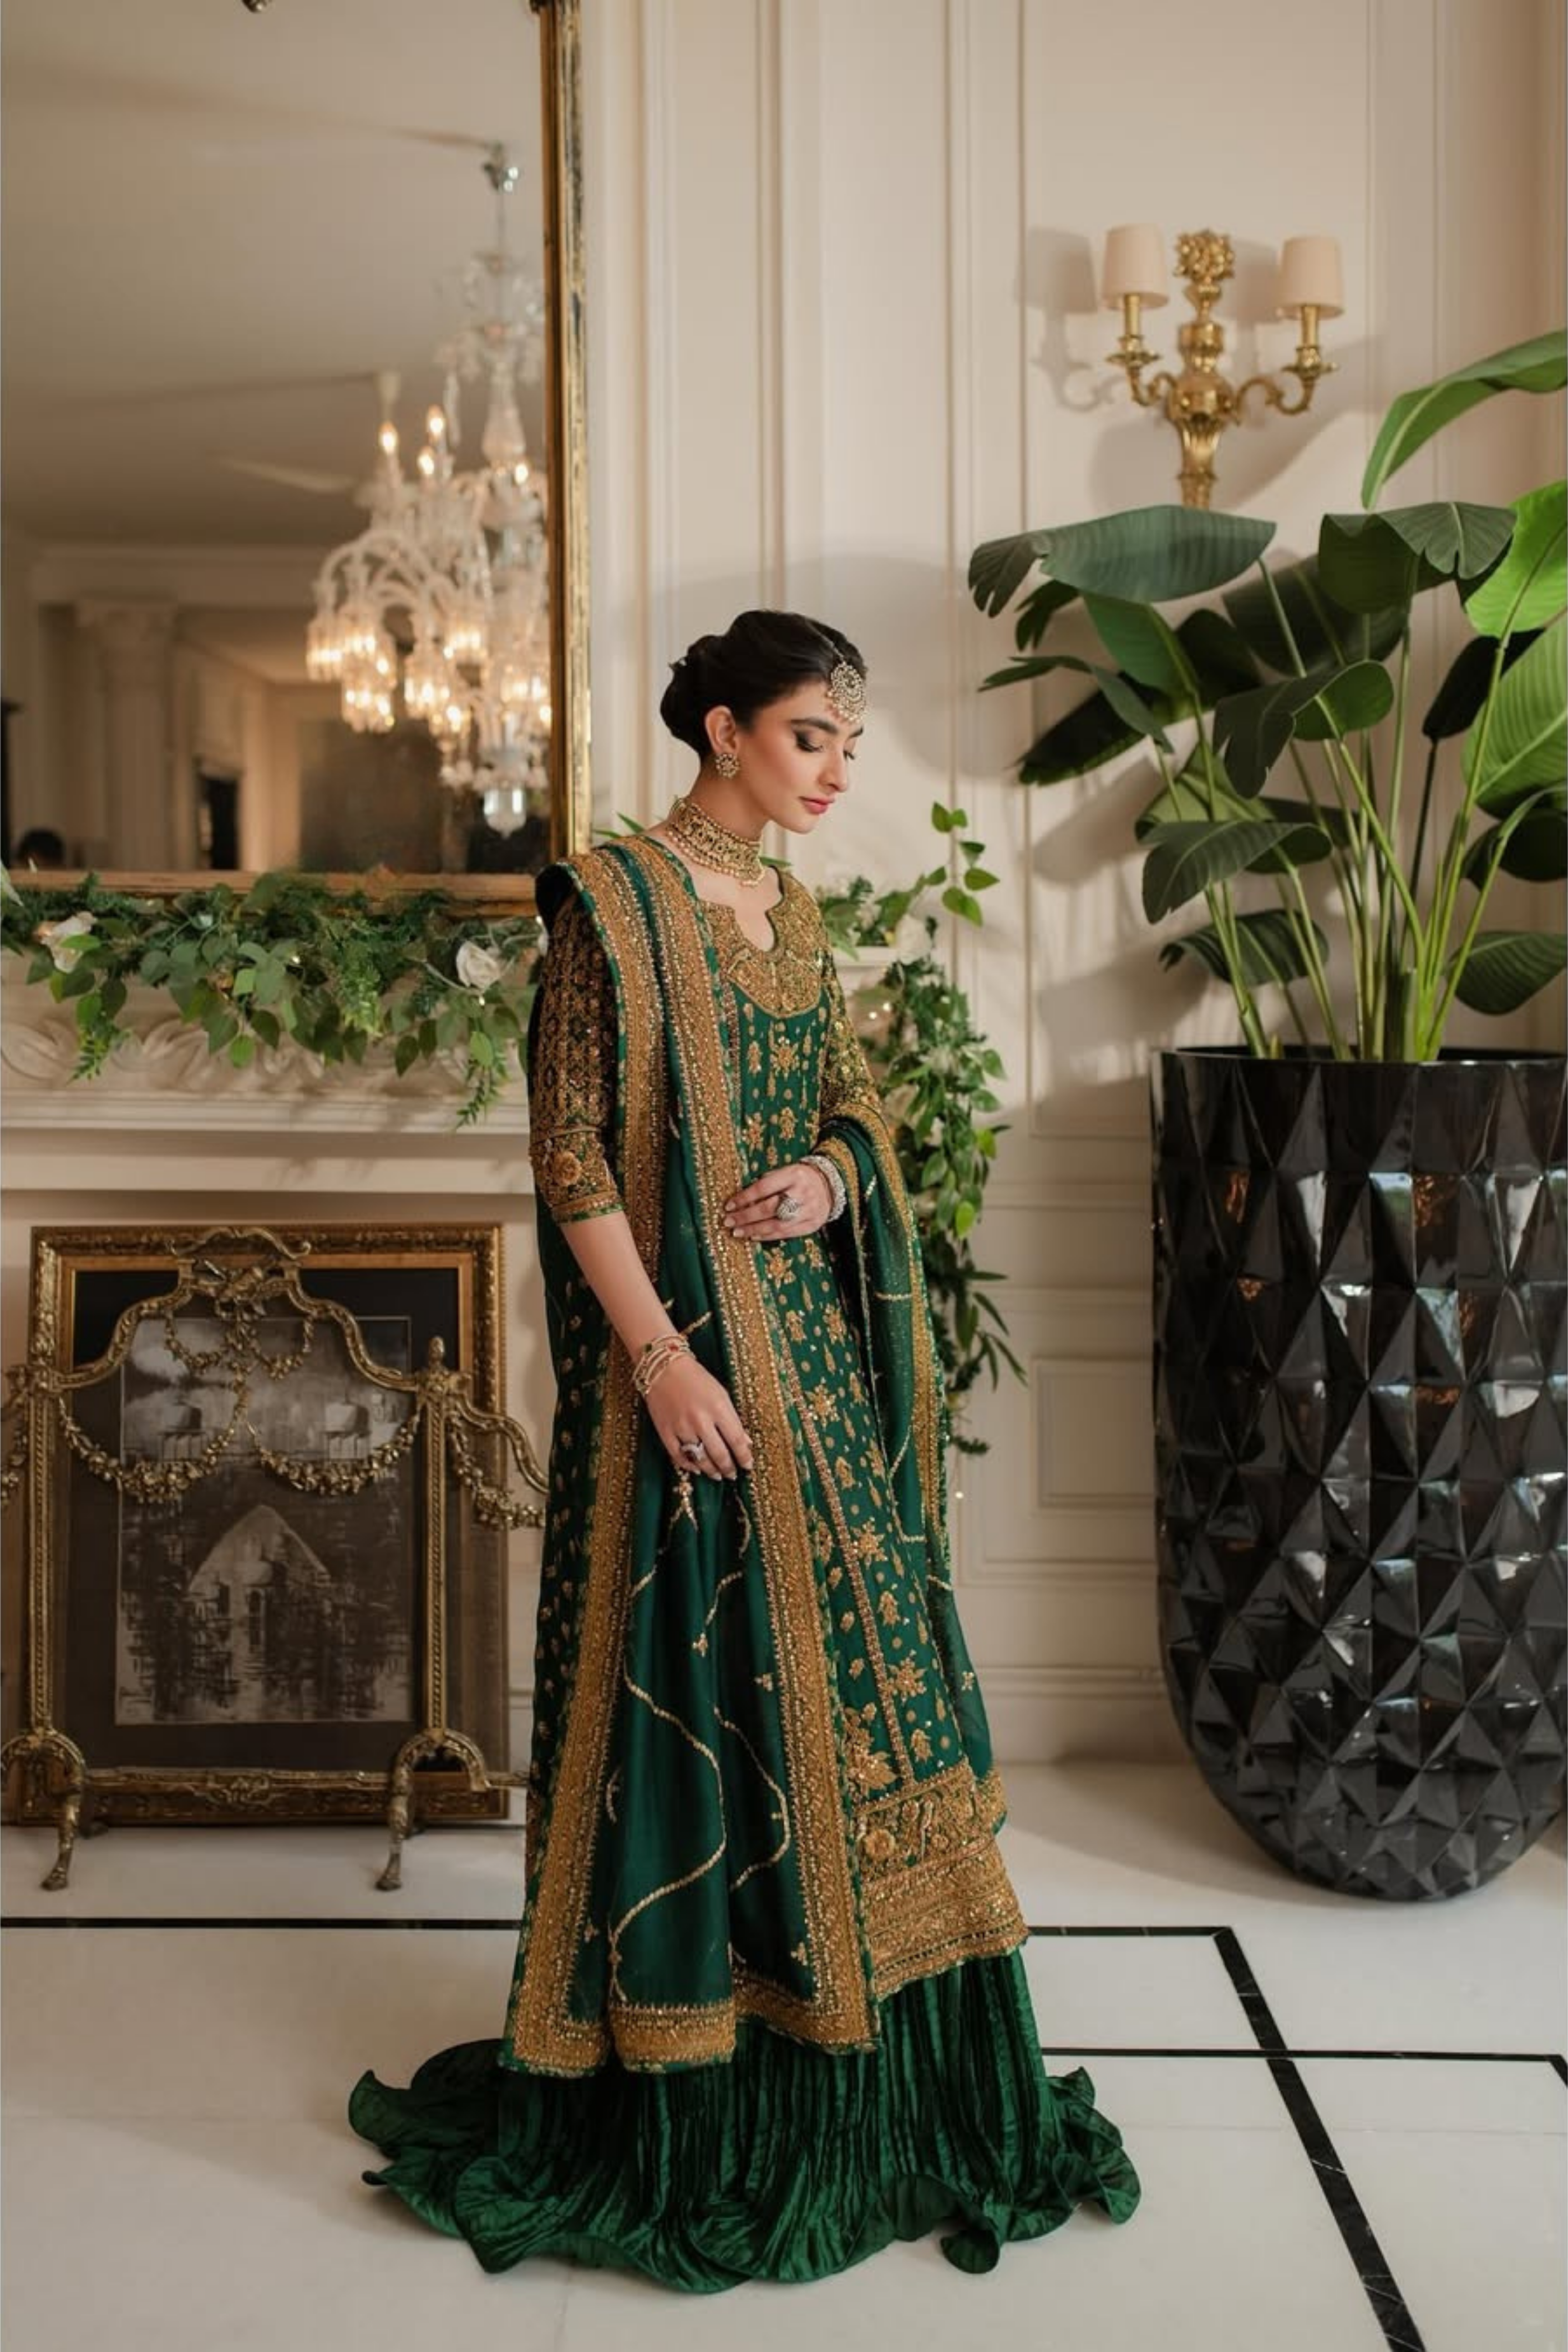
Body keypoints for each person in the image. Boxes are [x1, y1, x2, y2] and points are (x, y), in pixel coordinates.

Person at [347, 610, 1141, 2288]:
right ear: (724, 732)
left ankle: (899, 2092)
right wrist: (659, 1363)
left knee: (867, 1700)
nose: (836, 770)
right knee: (704, 1703)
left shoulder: (796, 909)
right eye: (809, 737)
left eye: (849, 741)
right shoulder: (608, 904)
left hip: (817, 1382)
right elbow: (571, 1159)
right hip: (686, 1378)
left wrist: (836, 1178)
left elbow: (855, 1101)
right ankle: (702, 2097)